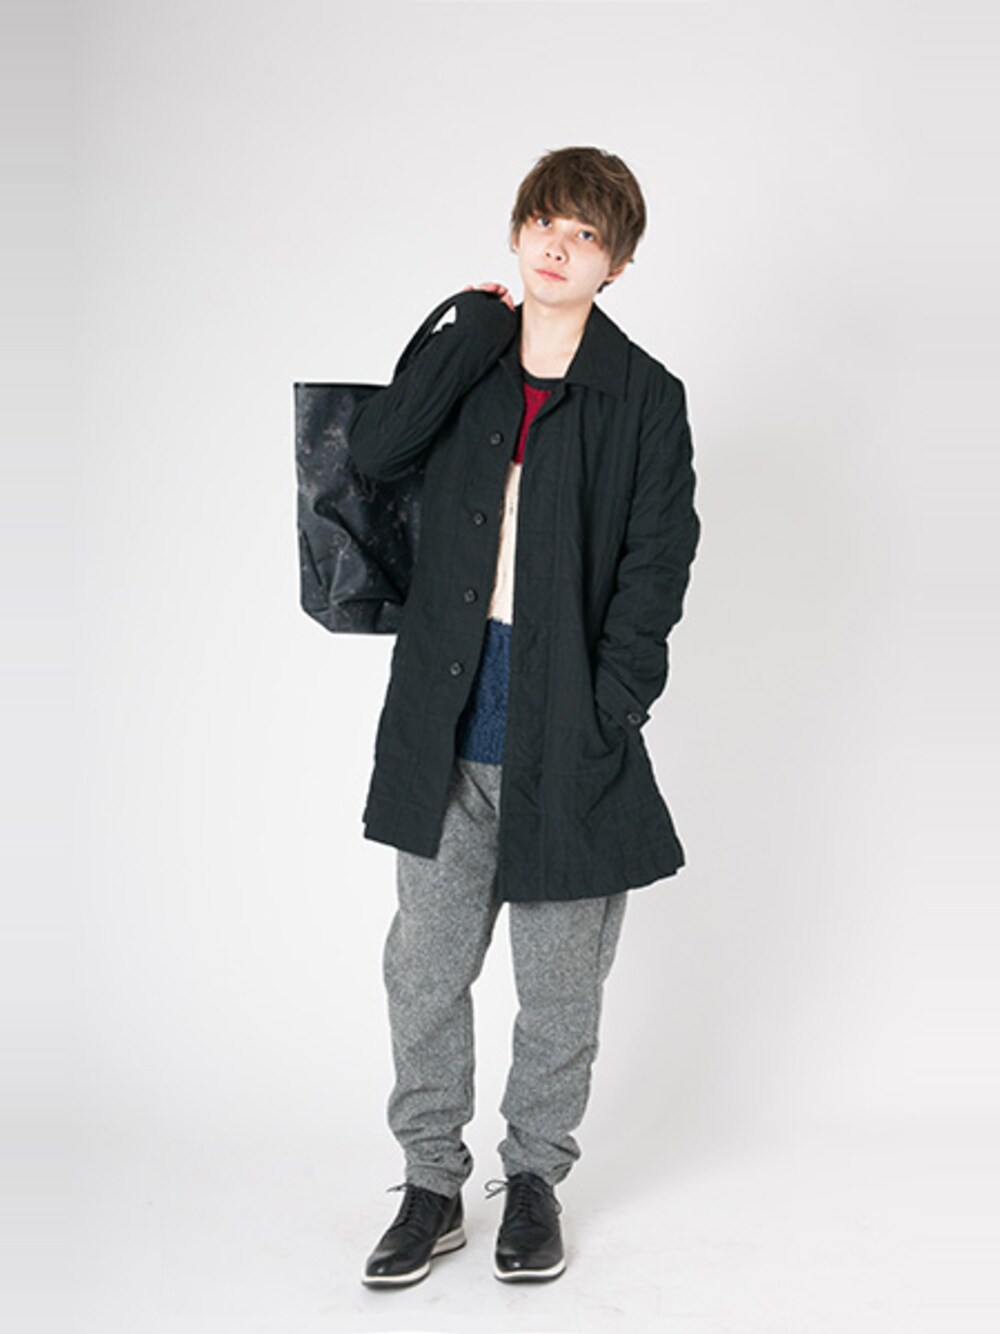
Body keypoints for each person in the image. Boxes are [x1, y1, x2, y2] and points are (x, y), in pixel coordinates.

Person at [347, 146, 701, 1287]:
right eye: (545, 221)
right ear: (517, 233)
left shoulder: (644, 396)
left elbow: (656, 565)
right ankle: (430, 1183)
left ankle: (535, 1178)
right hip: (443, 720)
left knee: (558, 990)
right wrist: (461, 329)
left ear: (617, 263)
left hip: (569, 734)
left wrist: (612, 708)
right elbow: (375, 451)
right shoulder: (473, 357)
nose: (559, 245)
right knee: (423, 972)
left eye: (586, 234)